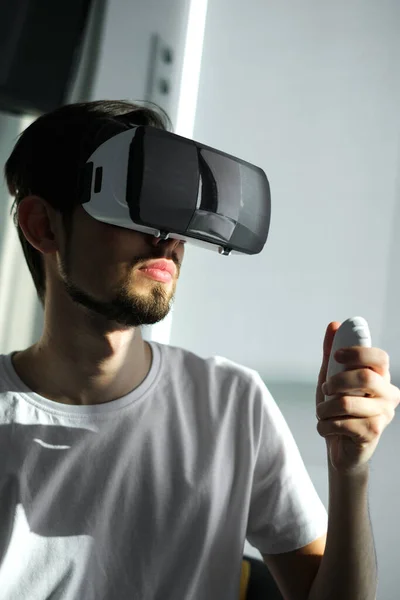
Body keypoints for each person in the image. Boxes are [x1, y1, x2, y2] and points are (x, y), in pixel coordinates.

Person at [0, 100, 398, 600]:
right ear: (44, 227)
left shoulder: (231, 404)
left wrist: (352, 471)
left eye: (176, 212)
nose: (168, 240)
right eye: (139, 203)